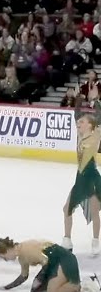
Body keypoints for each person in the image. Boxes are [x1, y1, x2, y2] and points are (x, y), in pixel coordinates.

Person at [0, 237, 100, 292]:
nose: (6, 260)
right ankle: (71, 285)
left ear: (7, 250)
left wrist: (40, 279)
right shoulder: (21, 257)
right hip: (55, 263)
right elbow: (23, 276)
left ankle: (80, 285)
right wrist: (6, 287)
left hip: (63, 259)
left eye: (4, 257)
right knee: (38, 291)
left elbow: (47, 261)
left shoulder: (26, 249)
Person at [63, 96, 101, 255]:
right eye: (79, 123)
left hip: (91, 177)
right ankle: (67, 240)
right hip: (80, 178)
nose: (79, 124)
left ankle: (95, 241)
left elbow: (99, 116)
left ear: (91, 125)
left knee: (94, 211)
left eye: (82, 123)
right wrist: (78, 100)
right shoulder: (80, 134)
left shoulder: (97, 133)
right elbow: (76, 114)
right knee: (67, 209)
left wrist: (97, 103)